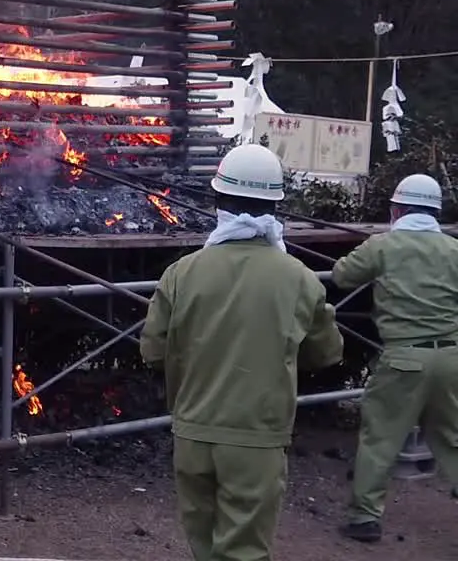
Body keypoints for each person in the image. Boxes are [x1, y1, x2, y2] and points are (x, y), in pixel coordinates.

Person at [141, 143, 345, 561]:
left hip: (193, 434)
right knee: (243, 552)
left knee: (204, 546)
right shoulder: (299, 279)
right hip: (256, 440)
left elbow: (153, 352)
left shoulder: (181, 273)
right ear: (275, 207)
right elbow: (326, 353)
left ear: (219, 202)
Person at [332, 173, 458, 543]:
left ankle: (364, 519)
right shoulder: (454, 250)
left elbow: (341, 275)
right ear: (436, 211)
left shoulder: (383, 246)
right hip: (451, 358)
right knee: (452, 438)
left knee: (380, 440)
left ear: (397, 209)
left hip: (403, 359)